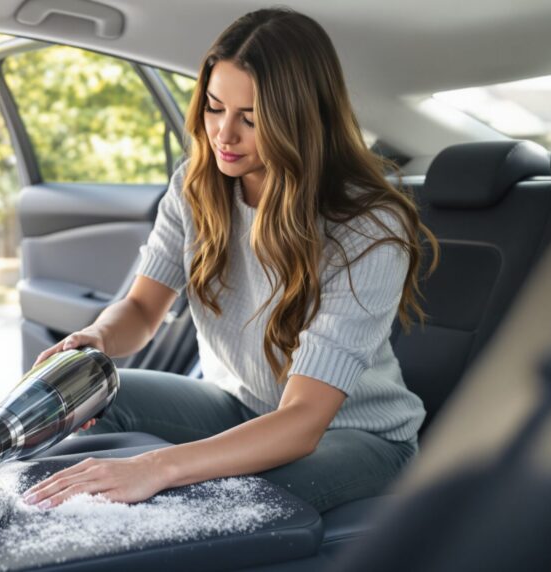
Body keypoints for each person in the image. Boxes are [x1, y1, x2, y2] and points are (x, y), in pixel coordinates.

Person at [21, 7, 438, 514]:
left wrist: (154, 467)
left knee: (215, 499)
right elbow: (142, 310)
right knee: (94, 396)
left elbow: (304, 419)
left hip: (358, 436)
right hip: (238, 407)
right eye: (215, 107)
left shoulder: (367, 225)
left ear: (300, 119)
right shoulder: (195, 187)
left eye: (251, 118)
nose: (223, 134)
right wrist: (99, 339)